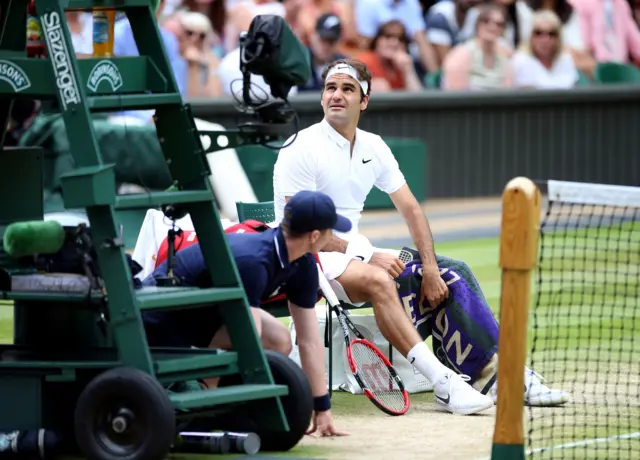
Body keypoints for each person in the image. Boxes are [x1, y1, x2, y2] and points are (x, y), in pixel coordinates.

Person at [272, 58, 569, 413]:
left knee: (451, 271)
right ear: (321, 97)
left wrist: (428, 266)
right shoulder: (300, 146)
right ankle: (443, 384)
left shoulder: (374, 146)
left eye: (347, 89)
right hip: (305, 257)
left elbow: (412, 209)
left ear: (364, 101)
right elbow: (303, 232)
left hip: (350, 254)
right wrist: (366, 254)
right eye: (330, 88)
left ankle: (502, 375)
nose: (336, 95)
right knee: (380, 278)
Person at [141, 190, 350, 437]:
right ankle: (204, 401)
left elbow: (309, 340)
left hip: (206, 313)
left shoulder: (303, 263)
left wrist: (321, 406)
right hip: (159, 317)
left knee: (278, 339)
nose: (333, 235)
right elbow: (247, 338)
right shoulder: (254, 260)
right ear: (314, 236)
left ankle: (217, 400)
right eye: (330, 230)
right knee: (252, 336)